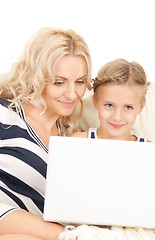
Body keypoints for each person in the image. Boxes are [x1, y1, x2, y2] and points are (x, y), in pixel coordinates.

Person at [0, 27, 92, 240]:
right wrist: (73, 236)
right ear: (34, 76)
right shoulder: (5, 115)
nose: (72, 94)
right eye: (59, 82)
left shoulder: (71, 137)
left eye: (79, 82)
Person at [71, 58, 150, 142]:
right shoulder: (77, 141)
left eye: (128, 107)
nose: (117, 117)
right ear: (95, 101)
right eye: (109, 105)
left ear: (140, 108)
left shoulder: (149, 149)